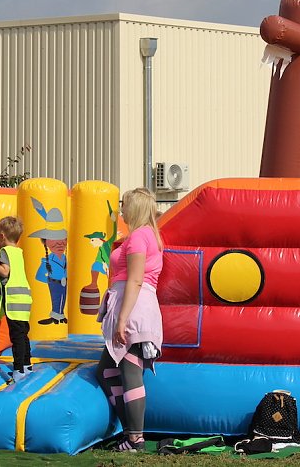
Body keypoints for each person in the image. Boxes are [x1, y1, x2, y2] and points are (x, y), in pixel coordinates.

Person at [95, 188, 164, 452]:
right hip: (135, 307)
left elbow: (135, 279)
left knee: (129, 372)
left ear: (134, 208)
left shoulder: (138, 237)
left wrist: (122, 319)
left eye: (124, 205)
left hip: (134, 311)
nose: (121, 210)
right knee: (107, 371)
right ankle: (131, 433)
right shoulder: (148, 235)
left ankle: (135, 439)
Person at [0, 216, 33, 381]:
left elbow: (5, 271)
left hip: (14, 300)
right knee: (23, 334)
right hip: (24, 300)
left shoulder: (4, 252)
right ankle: (27, 365)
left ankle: (18, 370)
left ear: (2, 236)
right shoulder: (17, 251)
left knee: (16, 338)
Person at [29, 198, 68, 325]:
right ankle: (55, 316)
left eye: (62, 238)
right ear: (45, 242)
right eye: (54, 239)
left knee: (62, 298)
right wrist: (48, 279)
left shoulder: (64, 258)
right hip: (54, 281)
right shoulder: (47, 260)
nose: (60, 243)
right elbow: (39, 277)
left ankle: (60, 316)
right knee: (56, 298)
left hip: (63, 281)